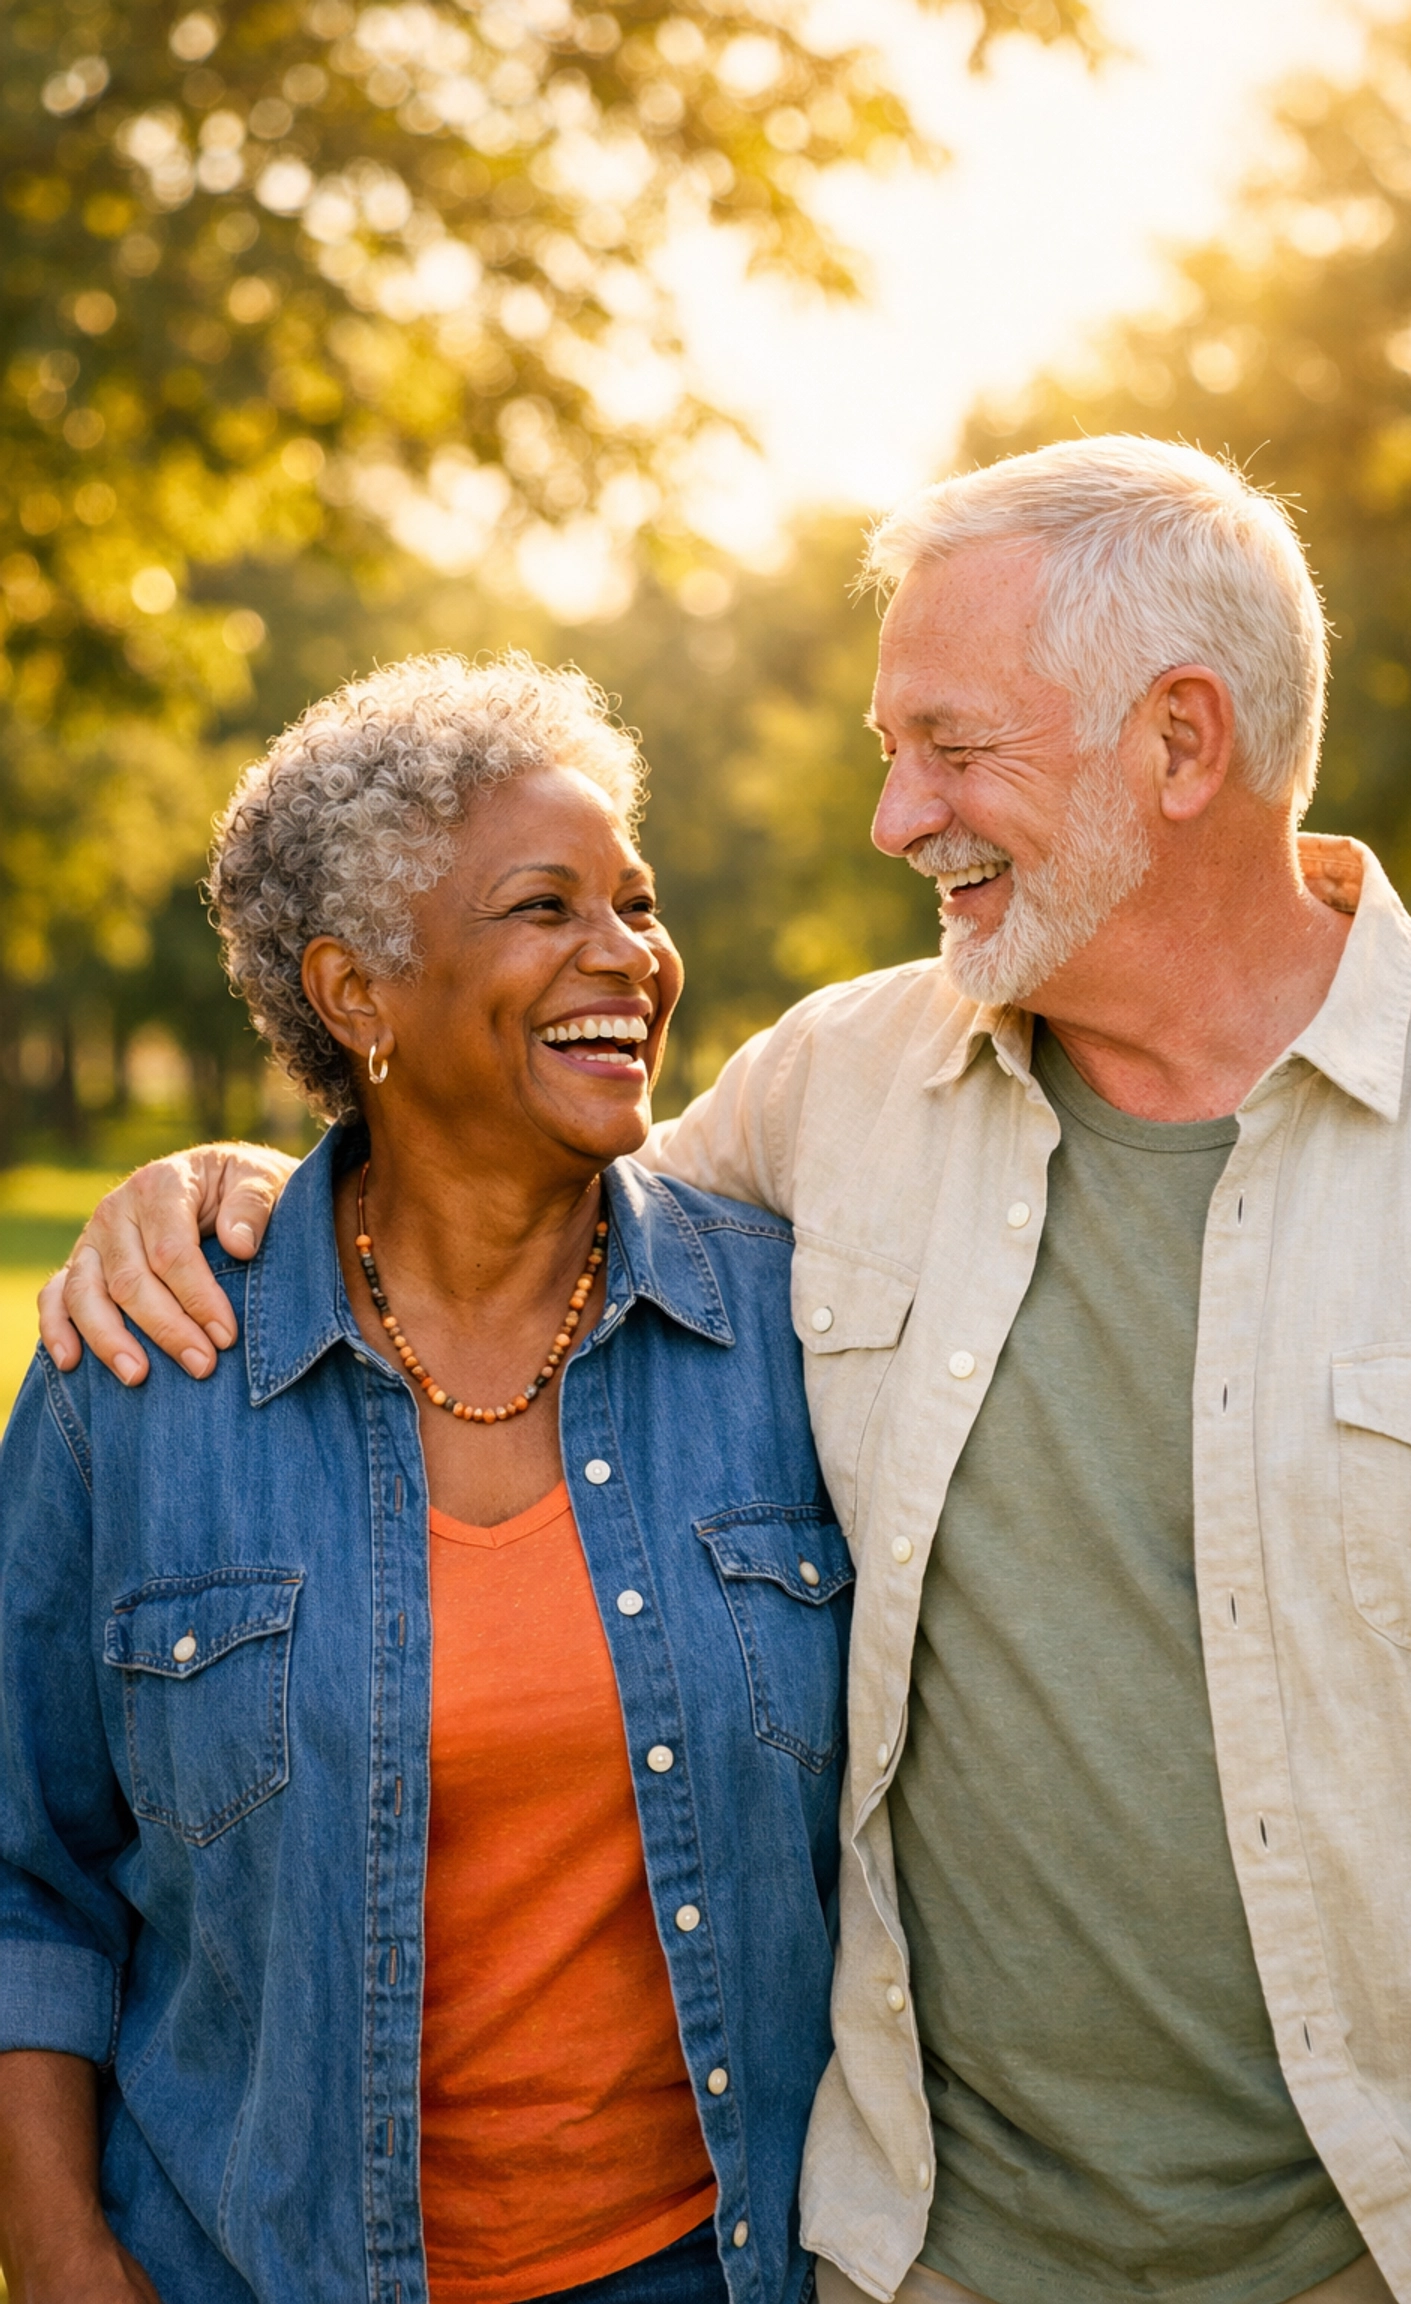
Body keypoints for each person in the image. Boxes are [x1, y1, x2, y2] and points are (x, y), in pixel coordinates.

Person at [39, 437, 1411, 2304]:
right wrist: (231, 1192)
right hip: (922, 2260)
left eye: (953, 745)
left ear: (1180, 743)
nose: (898, 819)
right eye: (883, 749)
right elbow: (490, 1202)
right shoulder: (841, 1094)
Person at [0, 653, 851, 2304]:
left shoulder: (795, 1330)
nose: (629, 956)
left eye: (637, 900)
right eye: (544, 907)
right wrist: (55, 2257)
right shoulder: (143, 1372)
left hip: (720, 2267)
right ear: (358, 992)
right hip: (246, 2267)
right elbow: (24, 1877)